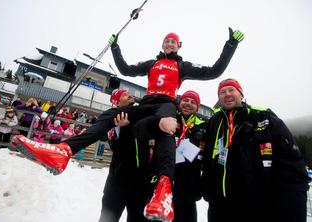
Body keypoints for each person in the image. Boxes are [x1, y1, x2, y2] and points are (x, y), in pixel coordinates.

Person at [12, 29, 244, 221]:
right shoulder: (151, 63)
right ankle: (65, 150)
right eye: (166, 41)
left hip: (165, 104)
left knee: (167, 126)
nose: (170, 44)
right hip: (146, 103)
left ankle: (164, 188)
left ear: (178, 46)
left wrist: (230, 45)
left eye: (173, 41)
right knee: (111, 114)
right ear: (163, 45)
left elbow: (214, 71)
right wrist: (115, 47)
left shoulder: (183, 67)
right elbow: (124, 70)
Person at [202, 78, 310, 222]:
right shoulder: (214, 122)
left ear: (241, 94)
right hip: (219, 206)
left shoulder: (263, 116)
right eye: (222, 92)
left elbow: (292, 164)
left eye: (231, 90)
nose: (227, 94)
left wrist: (292, 206)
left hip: (255, 205)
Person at [135, 90, 207, 222]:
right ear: (179, 102)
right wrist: (158, 122)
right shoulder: (168, 117)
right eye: (185, 100)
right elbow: (139, 130)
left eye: (193, 102)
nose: (188, 104)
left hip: (188, 188)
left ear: (197, 107)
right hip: (162, 186)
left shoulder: (204, 126)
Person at [99, 89, 150, 222]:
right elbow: (113, 144)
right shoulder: (113, 118)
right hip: (118, 181)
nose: (130, 95)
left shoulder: (141, 114)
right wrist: (119, 128)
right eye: (124, 95)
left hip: (141, 181)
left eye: (129, 93)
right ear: (117, 102)